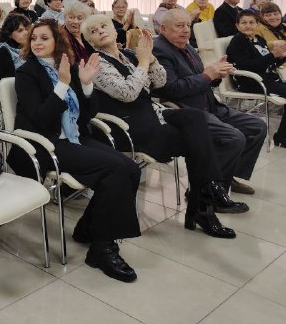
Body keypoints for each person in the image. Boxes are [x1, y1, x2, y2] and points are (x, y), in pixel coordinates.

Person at [83, 14, 241, 235]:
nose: (100, 31)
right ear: (90, 40)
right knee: (198, 143)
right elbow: (128, 93)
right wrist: (143, 63)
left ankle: (210, 189)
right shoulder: (96, 63)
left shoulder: (128, 55)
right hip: (128, 127)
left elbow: (160, 81)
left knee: (195, 118)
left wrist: (150, 59)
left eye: (103, 26)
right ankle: (205, 204)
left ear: (113, 29)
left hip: (150, 115)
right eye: (93, 31)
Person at [11, 19, 141, 282]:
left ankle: (88, 228)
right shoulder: (27, 73)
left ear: (57, 42)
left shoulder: (67, 66)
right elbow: (41, 119)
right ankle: (102, 248)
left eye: (44, 38)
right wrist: (62, 85)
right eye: (34, 38)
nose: (37, 43)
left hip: (73, 137)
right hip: (45, 144)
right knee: (114, 169)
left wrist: (86, 85)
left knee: (131, 169)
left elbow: (86, 116)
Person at [153, 8, 266, 197]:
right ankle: (208, 190)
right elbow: (171, 89)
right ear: (163, 28)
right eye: (179, 26)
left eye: (188, 25)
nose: (186, 30)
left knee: (257, 126)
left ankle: (226, 176)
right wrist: (208, 75)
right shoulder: (159, 50)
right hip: (187, 111)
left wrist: (216, 73)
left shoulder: (187, 46)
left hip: (209, 103)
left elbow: (201, 77)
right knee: (234, 138)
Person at [227, 10, 286, 151]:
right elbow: (247, 65)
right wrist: (273, 55)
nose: (248, 26)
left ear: (257, 24)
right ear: (237, 25)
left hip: (268, 78)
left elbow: (269, 62)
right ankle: (283, 137)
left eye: (251, 22)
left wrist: (282, 56)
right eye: (244, 23)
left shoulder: (259, 39)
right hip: (251, 82)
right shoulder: (238, 41)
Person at [0, 13, 30, 80]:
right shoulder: (3, 52)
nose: (26, 33)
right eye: (20, 31)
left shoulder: (30, 47)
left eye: (27, 29)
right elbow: (8, 81)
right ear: (9, 34)